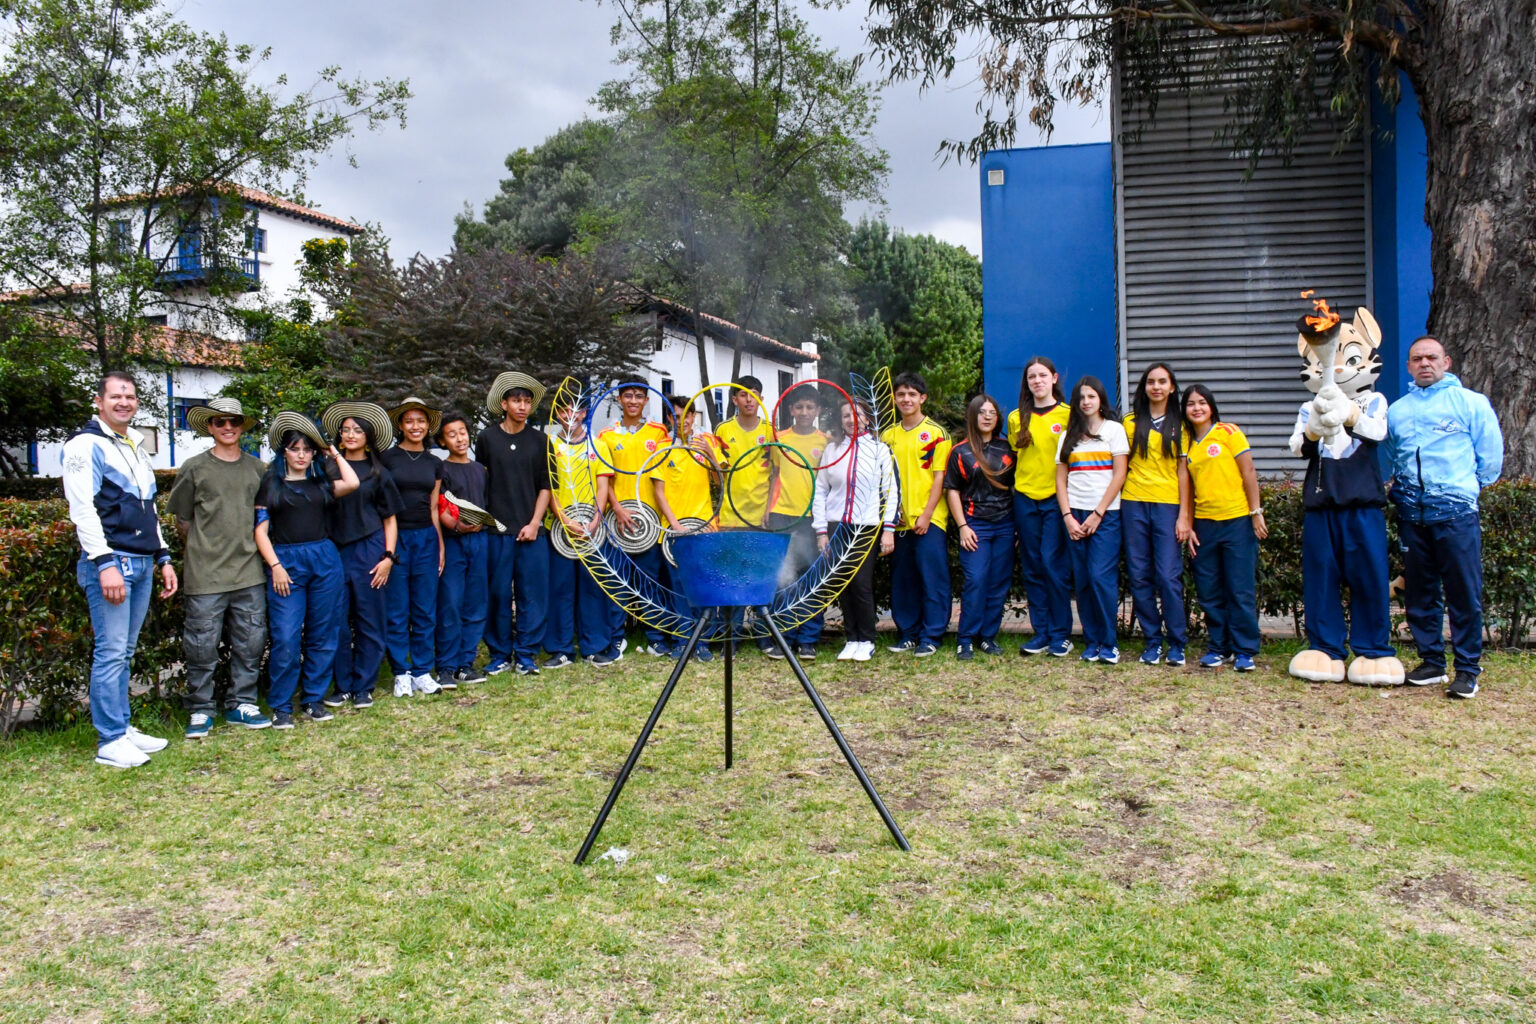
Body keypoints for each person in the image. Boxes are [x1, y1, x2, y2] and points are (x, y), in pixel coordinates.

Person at [63, 371, 179, 767]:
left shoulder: (133, 445)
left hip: (143, 562)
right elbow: (82, 510)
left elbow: (148, 508)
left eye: (129, 396)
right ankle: (110, 741)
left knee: (124, 652)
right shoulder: (85, 445)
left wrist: (163, 556)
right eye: (116, 396)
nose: (124, 402)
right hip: (113, 562)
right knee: (111, 653)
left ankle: (123, 728)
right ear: (99, 401)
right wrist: (104, 564)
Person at [1386, 336, 1504, 698]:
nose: (1424, 364)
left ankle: (1467, 668)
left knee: (1463, 591)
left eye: (1431, 358)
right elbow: (1394, 455)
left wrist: (1463, 489)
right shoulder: (1398, 410)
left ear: (1446, 362)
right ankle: (1432, 662)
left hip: (1456, 514)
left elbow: (1490, 459)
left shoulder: (1471, 404)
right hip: (1412, 514)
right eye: (1417, 359)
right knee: (1420, 590)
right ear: (1408, 366)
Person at [168, 397, 271, 738]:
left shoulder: (258, 469)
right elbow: (183, 519)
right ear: (209, 427)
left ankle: (243, 703)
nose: (228, 427)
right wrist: (207, 545)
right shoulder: (194, 467)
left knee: (250, 642)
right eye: (220, 422)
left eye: (234, 421)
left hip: (249, 571)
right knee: (201, 646)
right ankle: (200, 709)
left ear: (243, 426)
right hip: (205, 574)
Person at [254, 412, 359, 728]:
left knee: (323, 632)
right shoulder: (270, 485)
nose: (301, 455)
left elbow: (352, 482)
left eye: (306, 449)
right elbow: (260, 531)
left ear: (314, 453)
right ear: (283, 451)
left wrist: (332, 450)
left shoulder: (322, 483)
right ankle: (281, 705)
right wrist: (275, 566)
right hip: (286, 562)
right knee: (286, 636)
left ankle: (313, 698)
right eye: (295, 449)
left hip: (325, 559)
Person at [320, 401, 401, 708]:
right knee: (336, 622)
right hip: (334, 551)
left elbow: (390, 518)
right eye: (345, 429)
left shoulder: (379, 473)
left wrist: (388, 557)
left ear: (369, 436)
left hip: (370, 549)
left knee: (370, 619)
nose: (351, 434)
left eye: (357, 430)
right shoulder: (325, 469)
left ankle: (364, 685)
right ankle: (343, 685)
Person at [1181, 385, 1267, 671]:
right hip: (1205, 526)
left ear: (1211, 406)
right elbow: (1188, 488)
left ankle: (1244, 650)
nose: (1196, 408)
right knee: (1209, 589)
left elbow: (1248, 472)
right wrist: (1190, 525)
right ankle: (1219, 646)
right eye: (1191, 404)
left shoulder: (1229, 432)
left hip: (1237, 522)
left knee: (1239, 588)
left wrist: (1256, 513)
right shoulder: (1186, 443)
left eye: (1202, 403)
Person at [476, 372, 553, 676]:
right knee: (496, 593)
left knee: (532, 594)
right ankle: (499, 654)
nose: (522, 406)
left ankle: (526, 654)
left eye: (527, 401)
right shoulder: (487, 439)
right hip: (496, 531)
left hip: (532, 531)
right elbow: (482, 480)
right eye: (516, 401)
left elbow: (546, 486)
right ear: (504, 404)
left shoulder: (540, 441)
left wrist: (535, 523)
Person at [814, 399, 897, 662]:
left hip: (866, 526)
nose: (851, 419)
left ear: (867, 419)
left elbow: (891, 492)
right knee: (842, 583)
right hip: (836, 525)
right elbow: (820, 491)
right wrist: (820, 530)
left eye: (857, 414)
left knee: (861, 583)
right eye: (846, 415)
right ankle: (851, 639)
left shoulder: (880, 450)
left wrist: (888, 529)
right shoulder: (832, 450)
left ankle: (867, 639)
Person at [1055, 377, 1130, 664]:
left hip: (1106, 514)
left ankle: (1109, 643)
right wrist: (1068, 517)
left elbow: (1119, 475)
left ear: (1101, 399)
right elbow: (1060, 480)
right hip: (1075, 513)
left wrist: (1099, 512)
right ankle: (1092, 641)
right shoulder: (1067, 436)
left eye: (1091, 396)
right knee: (1084, 580)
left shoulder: (1115, 430)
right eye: (1081, 397)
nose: (1086, 401)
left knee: (1101, 577)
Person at [1122, 363, 1191, 667]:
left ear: (1172, 387)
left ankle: (1177, 642)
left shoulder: (1182, 424)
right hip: (1133, 503)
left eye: (1162, 382)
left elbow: (1183, 472)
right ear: (1144, 387)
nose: (1156, 387)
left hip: (1167, 506)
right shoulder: (1129, 422)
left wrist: (1184, 515)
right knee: (1139, 576)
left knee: (1167, 576)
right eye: (1151, 382)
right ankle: (1152, 641)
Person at [598, 380, 673, 656]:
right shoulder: (607, 436)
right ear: (619, 399)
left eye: (638, 396)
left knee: (650, 582)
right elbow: (605, 479)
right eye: (627, 395)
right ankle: (616, 638)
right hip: (616, 519)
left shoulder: (659, 433)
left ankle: (655, 637)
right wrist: (616, 507)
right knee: (617, 580)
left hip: (648, 522)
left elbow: (663, 478)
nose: (632, 400)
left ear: (646, 401)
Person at [881, 371, 952, 656]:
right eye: (901, 394)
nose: (906, 399)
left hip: (929, 518)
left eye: (912, 394)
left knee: (932, 578)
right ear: (895, 399)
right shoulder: (887, 436)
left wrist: (926, 515)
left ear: (922, 398)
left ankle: (932, 635)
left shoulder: (937, 433)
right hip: (897, 521)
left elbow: (940, 478)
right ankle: (908, 633)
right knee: (903, 579)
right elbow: (884, 480)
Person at [1009, 357, 1074, 657]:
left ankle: (1062, 634)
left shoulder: (1070, 415)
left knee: (1053, 564)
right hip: (1025, 498)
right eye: (1032, 377)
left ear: (1054, 378)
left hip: (1056, 498)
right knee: (1033, 566)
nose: (1037, 381)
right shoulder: (1015, 418)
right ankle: (1042, 633)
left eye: (1042, 375)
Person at [380, 397, 446, 695]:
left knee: (424, 608)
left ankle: (421, 669)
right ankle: (401, 672)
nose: (415, 426)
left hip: (426, 538)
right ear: (400, 425)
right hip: (396, 538)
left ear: (428, 425)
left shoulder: (435, 462)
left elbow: (433, 508)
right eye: (409, 421)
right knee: (397, 608)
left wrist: (440, 545)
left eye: (421, 421)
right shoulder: (387, 458)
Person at [944, 393, 1016, 660]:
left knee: (998, 582)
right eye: (982, 412)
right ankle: (965, 639)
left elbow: (1014, 488)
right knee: (975, 580)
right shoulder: (960, 451)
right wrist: (962, 526)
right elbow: (952, 490)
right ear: (973, 416)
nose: (987, 417)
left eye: (992, 413)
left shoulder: (1008, 448)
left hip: (1005, 525)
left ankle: (988, 636)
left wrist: (1017, 526)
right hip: (975, 526)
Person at [547, 398, 617, 667]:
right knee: (560, 589)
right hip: (559, 529)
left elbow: (603, 486)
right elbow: (548, 487)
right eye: (564, 410)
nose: (570, 415)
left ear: (585, 412)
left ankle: (594, 646)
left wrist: (597, 518)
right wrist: (563, 518)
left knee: (593, 588)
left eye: (576, 409)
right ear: (558, 413)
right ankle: (561, 649)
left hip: (592, 529)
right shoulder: (551, 447)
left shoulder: (597, 445)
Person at [650, 394, 720, 664]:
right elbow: (659, 492)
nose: (683, 421)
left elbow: (718, 479)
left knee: (702, 587)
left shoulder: (706, 443)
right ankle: (682, 640)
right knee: (678, 590)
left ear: (694, 417)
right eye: (676, 417)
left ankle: (702, 643)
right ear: (670, 418)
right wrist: (675, 525)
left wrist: (711, 455)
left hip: (704, 528)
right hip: (673, 531)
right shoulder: (662, 448)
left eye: (688, 416)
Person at [767, 385, 828, 659]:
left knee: (812, 579)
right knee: (784, 579)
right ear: (790, 410)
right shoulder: (778, 439)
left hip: (813, 519)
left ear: (817, 411)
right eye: (799, 407)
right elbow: (774, 476)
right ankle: (784, 637)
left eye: (810, 407)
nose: (804, 412)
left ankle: (808, 639)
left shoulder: (825, 442)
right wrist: (768, 509)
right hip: (783, 516)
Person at [435, 411, 492, 684]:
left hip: (480, 542)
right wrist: (457, 526)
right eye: (451, 434)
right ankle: (446, 666)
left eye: (462, 432)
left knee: (475, 604)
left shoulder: (480, 469)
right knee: (451, 604)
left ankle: (465, 663)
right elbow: (439, 508)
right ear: (443, 441)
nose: (459, 438)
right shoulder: (441, 470)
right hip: (454, 542)